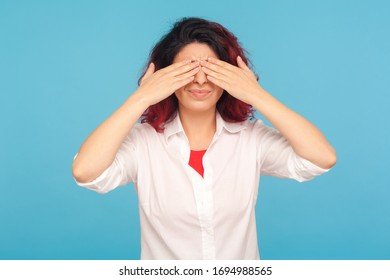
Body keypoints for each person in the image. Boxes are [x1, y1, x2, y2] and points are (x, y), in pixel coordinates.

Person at [72, 17, 336, 260]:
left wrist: (256, 94)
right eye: (187, 71)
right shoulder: (144, 143)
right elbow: (86, 172)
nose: (200, 80)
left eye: (211, 70)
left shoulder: (251, 138)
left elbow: (321, 158)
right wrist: (141, 98)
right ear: (165, 77)